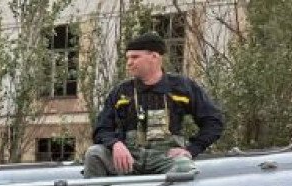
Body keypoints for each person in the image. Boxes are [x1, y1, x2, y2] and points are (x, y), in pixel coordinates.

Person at [83, 31, 224, 177]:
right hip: (130, 158)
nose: (129, 63)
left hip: (166, 158)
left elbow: (213, 121)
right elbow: (101, 128)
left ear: (154, 57)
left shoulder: (182, 87)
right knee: (94, 154)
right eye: (128, 58)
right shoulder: (121, 91)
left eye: (135, 57)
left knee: (184, 168)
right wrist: (115, 144)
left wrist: (191, 149)